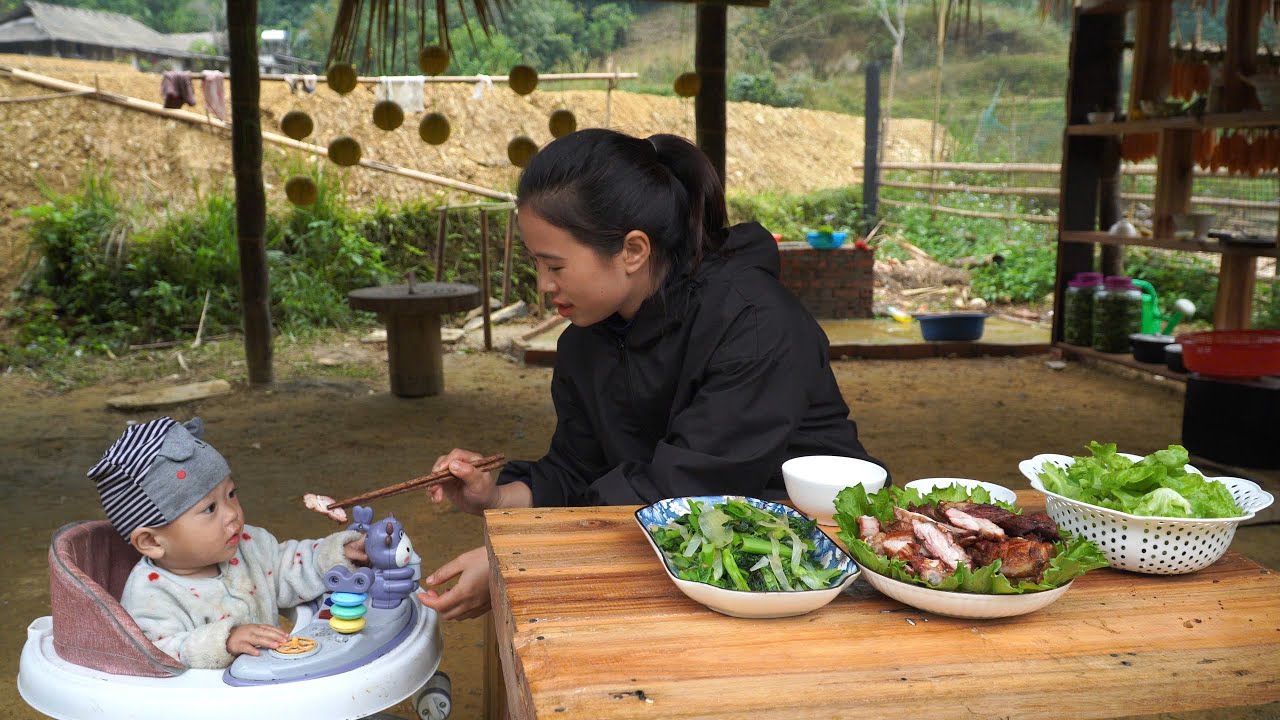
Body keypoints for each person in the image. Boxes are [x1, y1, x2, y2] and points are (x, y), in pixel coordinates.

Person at [417, 129, 883, 620]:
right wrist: (495, 495)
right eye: (537, 264)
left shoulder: (754, 322)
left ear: (633, 250)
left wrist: (516, 560)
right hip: (683, 559)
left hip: (810, 564)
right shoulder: (587, 340)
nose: (544, 285)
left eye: (555, 266)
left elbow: (687, 489)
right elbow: (579, 472)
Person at [88, 416, 368, 668]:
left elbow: (288, 567)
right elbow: (155, 656)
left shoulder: (248, 544)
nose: (232, 513)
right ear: (151, 541)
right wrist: (224, 641)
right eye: (210, 508)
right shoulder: (150, 594)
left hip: (271, 687)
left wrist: (339, 554)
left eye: (231, 494)